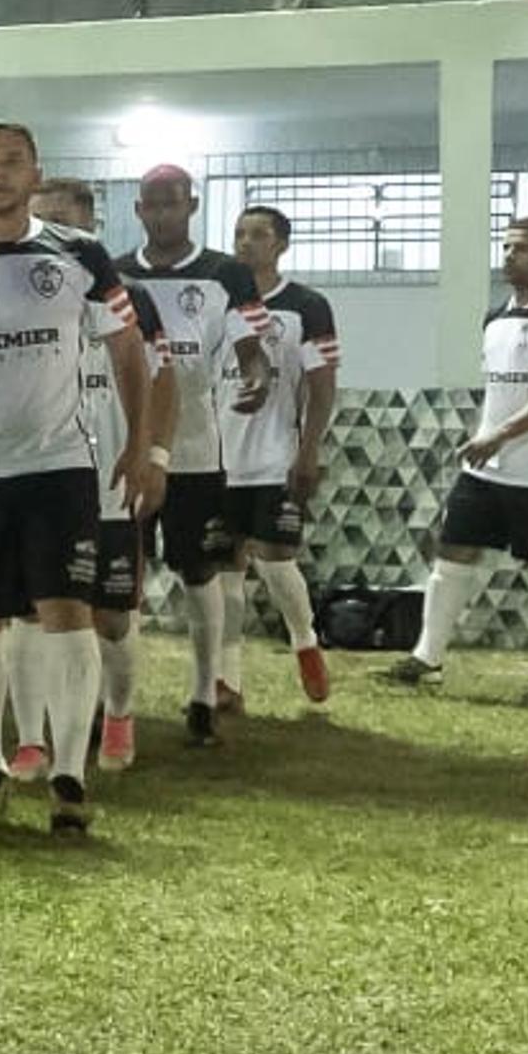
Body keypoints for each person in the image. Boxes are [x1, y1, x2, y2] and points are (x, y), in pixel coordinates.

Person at [0, 127, 149, 831]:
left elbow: (127, 350)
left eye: (9, 162)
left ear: (35, 173)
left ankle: (69, 776)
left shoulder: (77, 253)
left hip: (59, 466)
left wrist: (141, 443)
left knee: (65, 612)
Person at [385, 217, 528, 701]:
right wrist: (489, 438)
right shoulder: (494, 317)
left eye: (520, 248)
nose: (508, 256)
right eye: (505, 246)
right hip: (485, 466)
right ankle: (427, 657)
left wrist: (501, 435)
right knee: (452, 553)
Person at [121, 166, 274, 751]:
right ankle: (118, 703)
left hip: (195, 452)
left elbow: (250, 349)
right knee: (122, 581)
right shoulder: (117, 273)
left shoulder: (225, 274)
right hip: (129, 451)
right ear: (139, 210)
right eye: (152, 205)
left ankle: (204, 694)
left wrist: (257, 376)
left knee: (199, 572)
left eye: (173, 204)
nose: (162, 214)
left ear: (192, 205)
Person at [34, 175, 171, 770]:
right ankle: (47, 732)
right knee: (44, 613)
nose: (52, 236)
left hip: (111, 485)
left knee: (112, 618)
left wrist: (153, 454)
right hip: (40, 478)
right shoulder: (14, 282)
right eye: (44, 223)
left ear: (90, 228)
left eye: (63, 223)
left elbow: (166, 381)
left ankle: (118, 714)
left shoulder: (131, 297)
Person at [218, 203, 338, 712]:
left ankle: (305, 641)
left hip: (274, 457)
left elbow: (322, 384)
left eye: (259, 235)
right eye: (241, 234)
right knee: (222, 571)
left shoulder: (305, 305)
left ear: (281, 244)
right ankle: (226, 681)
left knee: (275, 562)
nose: (247, 243)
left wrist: (308, 449)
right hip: (217, 459)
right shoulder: (215, 300)